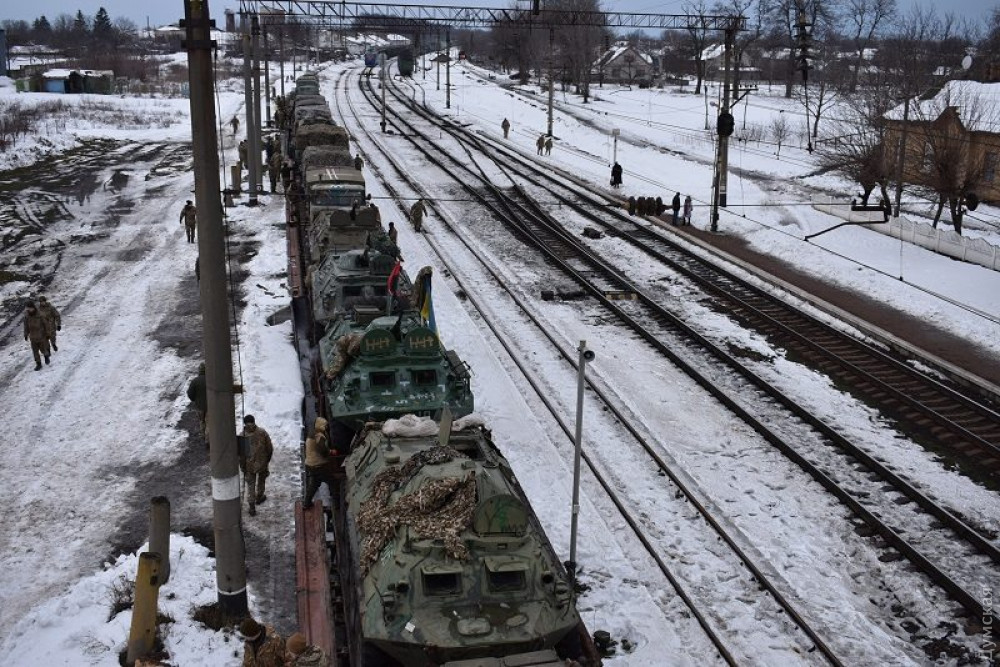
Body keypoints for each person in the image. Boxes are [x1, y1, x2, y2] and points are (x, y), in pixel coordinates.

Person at [240, 415, 274, 517]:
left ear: (245, 424)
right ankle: (259, 497)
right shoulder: (262, 432)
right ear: (254, 421)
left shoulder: (243, 436)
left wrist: (243, 467)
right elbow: (270, 448)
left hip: (249, 466)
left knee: (250, 485)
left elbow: (241, 456)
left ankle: (252, 507)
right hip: (262, 463)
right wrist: (267, 459)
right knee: (261, 480)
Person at [303, 417, 335, 509]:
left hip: (310, 463)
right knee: (332, 481)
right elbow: (323, 451)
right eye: (325, 425)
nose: (326, 427)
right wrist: (331, 452)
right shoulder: (320, 437)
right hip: (318, 465)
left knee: (314, 484)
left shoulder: (311, 434)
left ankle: (306, 503)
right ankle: (337, 504)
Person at [23, 301, 50, 371]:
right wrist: (25, 334)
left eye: (29, 308)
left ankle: (46, 356)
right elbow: (26, 326)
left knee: (43, 350)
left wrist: (48, 334)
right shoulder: (27, 316)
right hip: (32, 337)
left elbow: (46, 325)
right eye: (27, 309)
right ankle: (38, 364)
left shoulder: (40, 315)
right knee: (35, 352)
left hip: (41, 336)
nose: (29, 310)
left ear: (33, 308)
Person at [187, 363, 208, 446]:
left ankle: (204, 436)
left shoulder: (195, 381)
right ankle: (208, 439)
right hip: (211, 406)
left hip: (200, 406)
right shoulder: (211, 379)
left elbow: (190, 393)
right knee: (209, 422)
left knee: (202, 422)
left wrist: (194, 400)